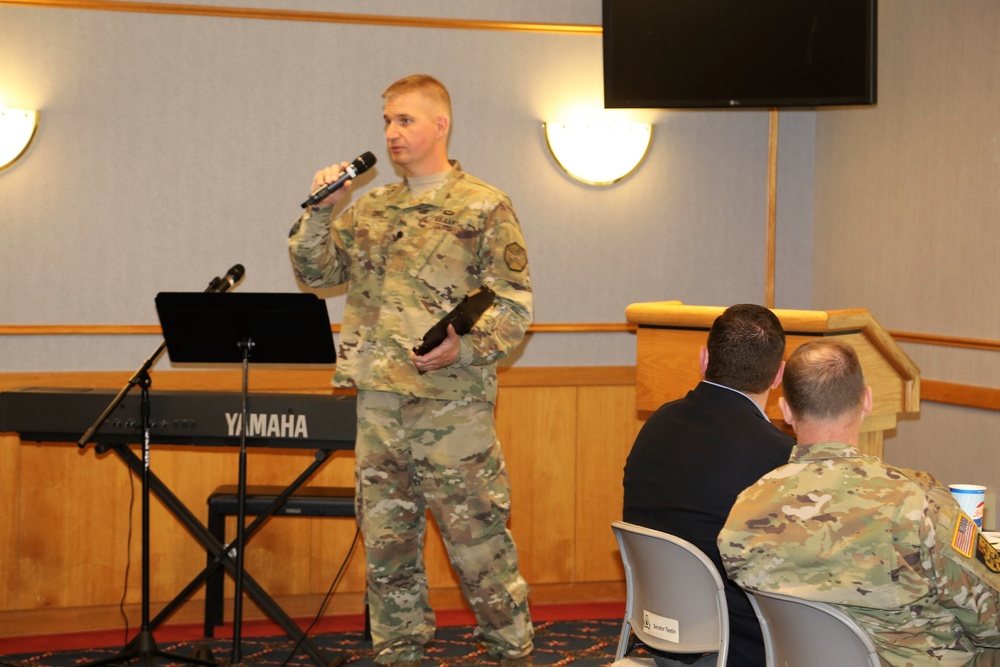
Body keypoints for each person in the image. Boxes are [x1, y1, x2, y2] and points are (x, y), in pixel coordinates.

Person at [287, 74, 534, 667]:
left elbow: (514, 303)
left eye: (405, 121)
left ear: (439, 126)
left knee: (478, 543)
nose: (392, 133)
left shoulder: (483, 204)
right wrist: (322, 214)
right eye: (387, 122)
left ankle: (512, 651)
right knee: (387, 547)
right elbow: (319, 275)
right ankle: (399, 654)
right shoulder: (370, 206)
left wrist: (465, 350)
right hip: (379, 406)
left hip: (451, 406)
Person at [719, 340, 1000, 667]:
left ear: (785, 410)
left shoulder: (746, 510)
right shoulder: (919, 503)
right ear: (867, 400)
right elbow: (992, 621)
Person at [622, 303, 795, 667]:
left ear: (703, 360)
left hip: (656, 633)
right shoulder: (779, 455)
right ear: (779, 375)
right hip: (736, 647)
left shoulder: (657, 424)